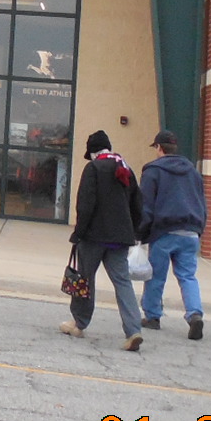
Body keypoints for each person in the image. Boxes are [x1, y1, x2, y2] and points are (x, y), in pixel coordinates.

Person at [61, 130, 145, 351]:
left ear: (93, 152)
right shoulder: (125, 167)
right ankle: (133, 330)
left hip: (94, 236)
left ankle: (79, 323)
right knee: (122, 282)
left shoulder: (94, 168)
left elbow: (85, 204)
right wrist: (135, 232)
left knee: (85, 279)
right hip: (121, 237)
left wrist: (78, 233)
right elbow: (138, 204)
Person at [138, 130, 207, 340]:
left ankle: (152, 316)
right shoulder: (193, 172)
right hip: (190, 231)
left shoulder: (153, 171)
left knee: (156, 275)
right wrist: (199, 228)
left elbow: (145, 205)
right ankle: (194, 314)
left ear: (159, 147)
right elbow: (202, 203)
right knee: (188, 276)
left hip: (164, 231)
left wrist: (141, 232)